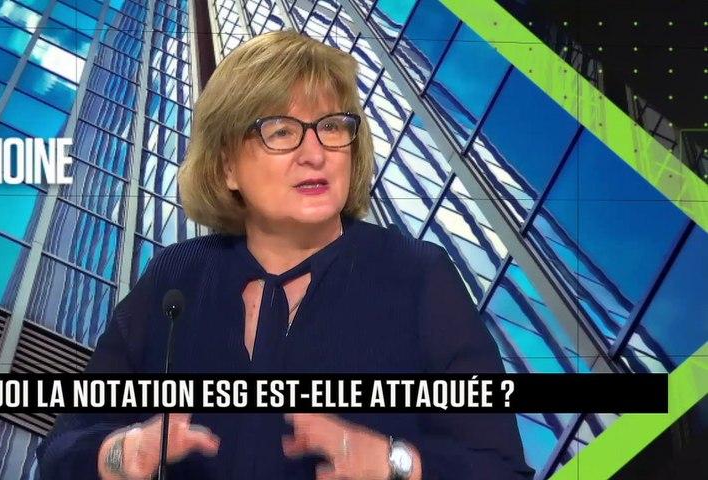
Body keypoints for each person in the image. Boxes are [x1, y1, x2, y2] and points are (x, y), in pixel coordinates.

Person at [36, 30, 533, 480]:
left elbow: (501, 469)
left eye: (332, 127)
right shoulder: (177, 276)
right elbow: (61, 449)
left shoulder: (417, 274)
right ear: (227, 166)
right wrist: (124, 453)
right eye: (280, 131)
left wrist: (396, 463)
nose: (315, 153)